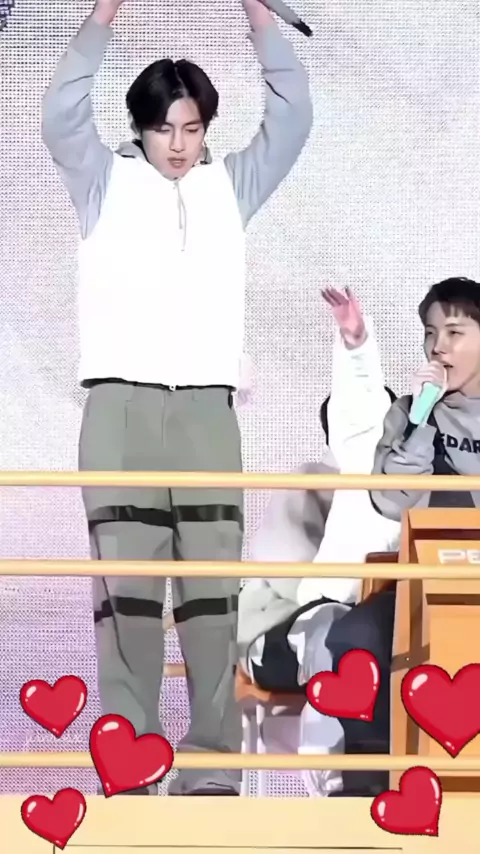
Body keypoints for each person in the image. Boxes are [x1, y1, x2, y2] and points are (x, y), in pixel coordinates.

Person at [41, 0, 312, 797]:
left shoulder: (232, 186)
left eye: (192, 128)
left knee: (211, 596)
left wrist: (259, 17)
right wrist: (104, 12)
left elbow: (293, 118)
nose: (180, 144)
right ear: (142, 128)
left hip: (205, 413)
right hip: (119, 410)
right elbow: (60, 114)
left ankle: (211, 766)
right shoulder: (104, 180)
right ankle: (131, 762)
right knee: (125, 596)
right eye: (165, 129)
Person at [237, 288, 401, 797]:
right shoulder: (328, 475)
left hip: (373, 631)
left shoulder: (420, 489)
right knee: (334, 632)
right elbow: (280, 579)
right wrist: (356, 343)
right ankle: (337, 788)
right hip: (295, 629)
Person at [371, 277, 480, 518]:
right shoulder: (407, 410)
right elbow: (391, 504)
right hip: (439, 540)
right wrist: (420, 419)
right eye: (430, 333)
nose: (437, 347)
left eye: (454, 332)